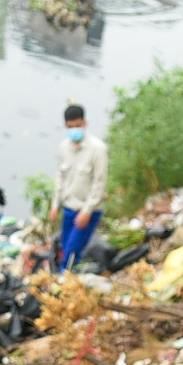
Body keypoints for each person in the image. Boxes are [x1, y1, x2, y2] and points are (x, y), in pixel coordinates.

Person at [52, 105, 109, 271]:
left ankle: (64, 280)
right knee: (64, 246)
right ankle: (67, 276)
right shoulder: (64, 148)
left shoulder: (97, 149)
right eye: (70, 127)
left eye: (77, 126)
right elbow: (60, 178)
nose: (74, 130)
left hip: (87, 210)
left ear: (85, 123)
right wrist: (55, 205)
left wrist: (87, 211)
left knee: (72, 250)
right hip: (69, 207)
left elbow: (99, 183)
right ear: (65, 126)